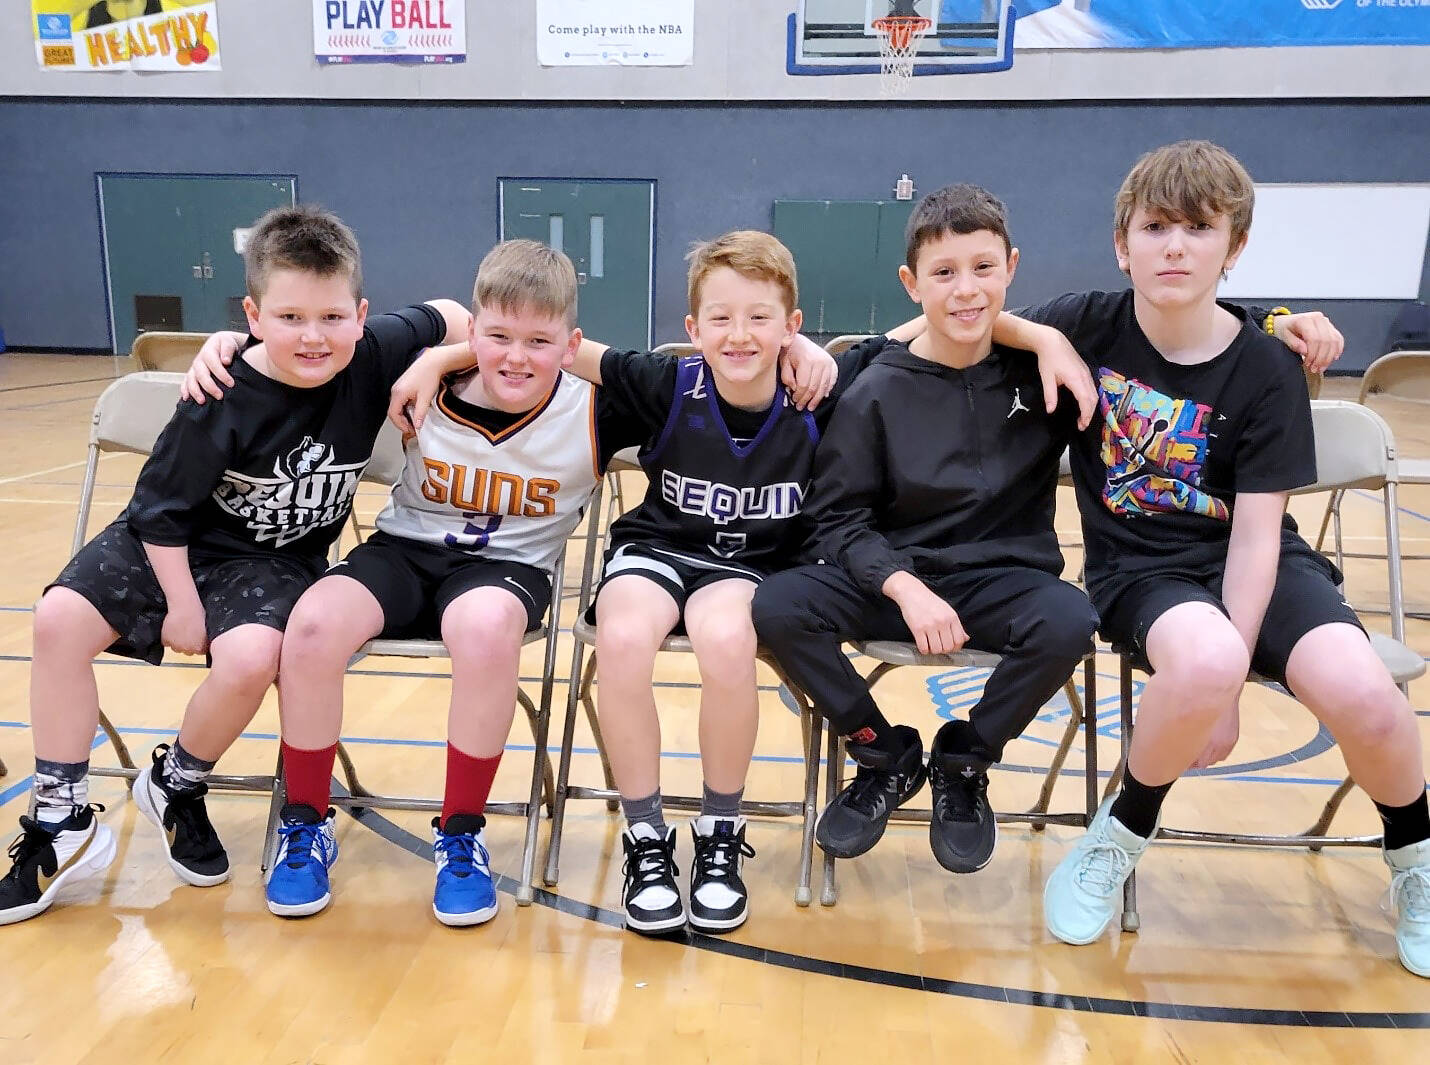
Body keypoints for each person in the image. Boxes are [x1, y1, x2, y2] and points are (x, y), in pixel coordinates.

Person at [570, 228, 1093, 934]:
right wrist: (440, 359)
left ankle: (721, 834)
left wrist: (1041, 338)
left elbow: (936, 315)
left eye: (761, 318)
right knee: (623, 639)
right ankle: (647, 838)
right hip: (659, 552)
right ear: (692, 329)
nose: (738, 335)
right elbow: (556, 344)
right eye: (720, 319)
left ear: (791, 327)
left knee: (730, 641)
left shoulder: (822, 385)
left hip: (747, 569)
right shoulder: (665, 382)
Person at [0, 204, 469, 925]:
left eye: (332, 317)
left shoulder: (374, 351)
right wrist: (181, 605)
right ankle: (61, 816)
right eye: (288, 318)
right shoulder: (218, 390)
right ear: (253, 314)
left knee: (253, 655)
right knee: (59, 617)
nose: (313, 336)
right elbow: (159, 512)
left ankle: (177, 782)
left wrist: (434, 360)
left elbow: (454, 313)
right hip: (170, 543)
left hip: (275, 559)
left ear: (361, 313)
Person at [1027, 140, 1429, 979]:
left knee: (1368, 693)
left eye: (1199, 229)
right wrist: (1038, 337)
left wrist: (1228, 690)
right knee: (1204, 655)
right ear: (1121, 243)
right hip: (1142, 572)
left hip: (1263, 564)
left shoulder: (1267, 365)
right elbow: (974, 310)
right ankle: (1121, 833)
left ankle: (1415, 861)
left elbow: (1255, 536)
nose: (1175, 246)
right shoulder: (1083, 323)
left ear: (1234, 247)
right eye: (1155, 226)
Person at [258, 239, 654, 924]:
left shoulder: (598, 407)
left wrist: (801, 353)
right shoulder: (423, 385)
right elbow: (292, 346)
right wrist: (440, 356)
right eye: (497, 336)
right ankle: (304, 823)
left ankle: (462, 834)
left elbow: (688, 377)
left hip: (507, 568)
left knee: (484, 627)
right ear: (474, 332)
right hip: (402, 554)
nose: (516, 356)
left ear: (573, 344)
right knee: (313, 622)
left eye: (540, 340)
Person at [751, 184, 1101, 877]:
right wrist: (905, 587)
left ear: (1012, 268)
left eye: (983, 268)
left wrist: (1274, 325)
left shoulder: (1045, 372)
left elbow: (1163, 317)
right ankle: (883, 751)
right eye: (943, 273)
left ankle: (964, 758)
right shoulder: (875, 388)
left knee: (1070, 619)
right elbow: (838, 519)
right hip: (897, 576)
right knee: (777, 605)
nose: (965, 290)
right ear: (912, 284)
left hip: (1001, 580)